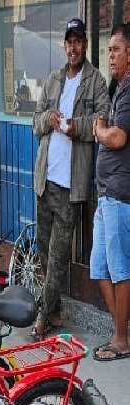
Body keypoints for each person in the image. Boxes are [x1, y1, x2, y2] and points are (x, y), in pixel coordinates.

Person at [31, 17, 109, 338]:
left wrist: (77, 126)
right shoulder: (52, 81)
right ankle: (55, 310)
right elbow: (35, 124)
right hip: (45, 180)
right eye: (69, 41)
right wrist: (48, 118)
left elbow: (102, 119)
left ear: (85, 46)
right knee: (44, 252)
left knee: (59, 256)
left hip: (71, 185)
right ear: (64, 45)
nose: (73, 47)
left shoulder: (96, 81)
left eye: (78, 41)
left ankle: (41, 315)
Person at [91, 25, 130, 361]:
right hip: (106, 194)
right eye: (110, 50)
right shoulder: (119, 89)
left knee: (119, 268)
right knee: (98, 267)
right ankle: (124, 330)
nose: (111, 56)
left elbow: (117, 137)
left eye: (116, 49)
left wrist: (100, 130)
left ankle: (121, 339)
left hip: (118, 194)